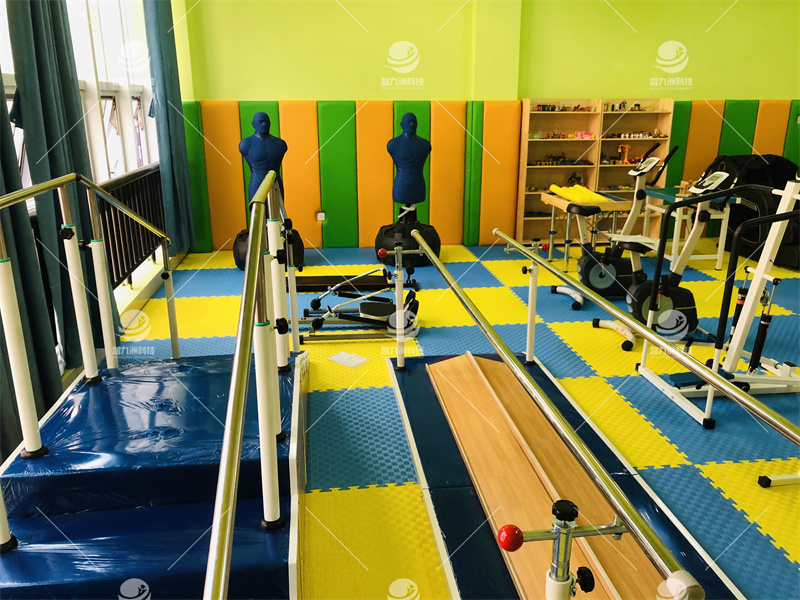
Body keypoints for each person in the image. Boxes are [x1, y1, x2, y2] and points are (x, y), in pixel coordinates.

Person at [387, 112, 431, 221]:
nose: (412, 124)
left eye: (414, 122)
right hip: (401, 186)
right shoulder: (393, 144)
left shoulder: (425, 145)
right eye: (409, 121)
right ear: (402, 124)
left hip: (418, 184)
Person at [239, 112, 288, 200]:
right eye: (261, 122)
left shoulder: (280, 144)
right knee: (258, 208)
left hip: (276, 184)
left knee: (277, 208)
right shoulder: (246, 144)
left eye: (266, 122)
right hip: (257, 184)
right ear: (254, 124)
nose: (264, 124)